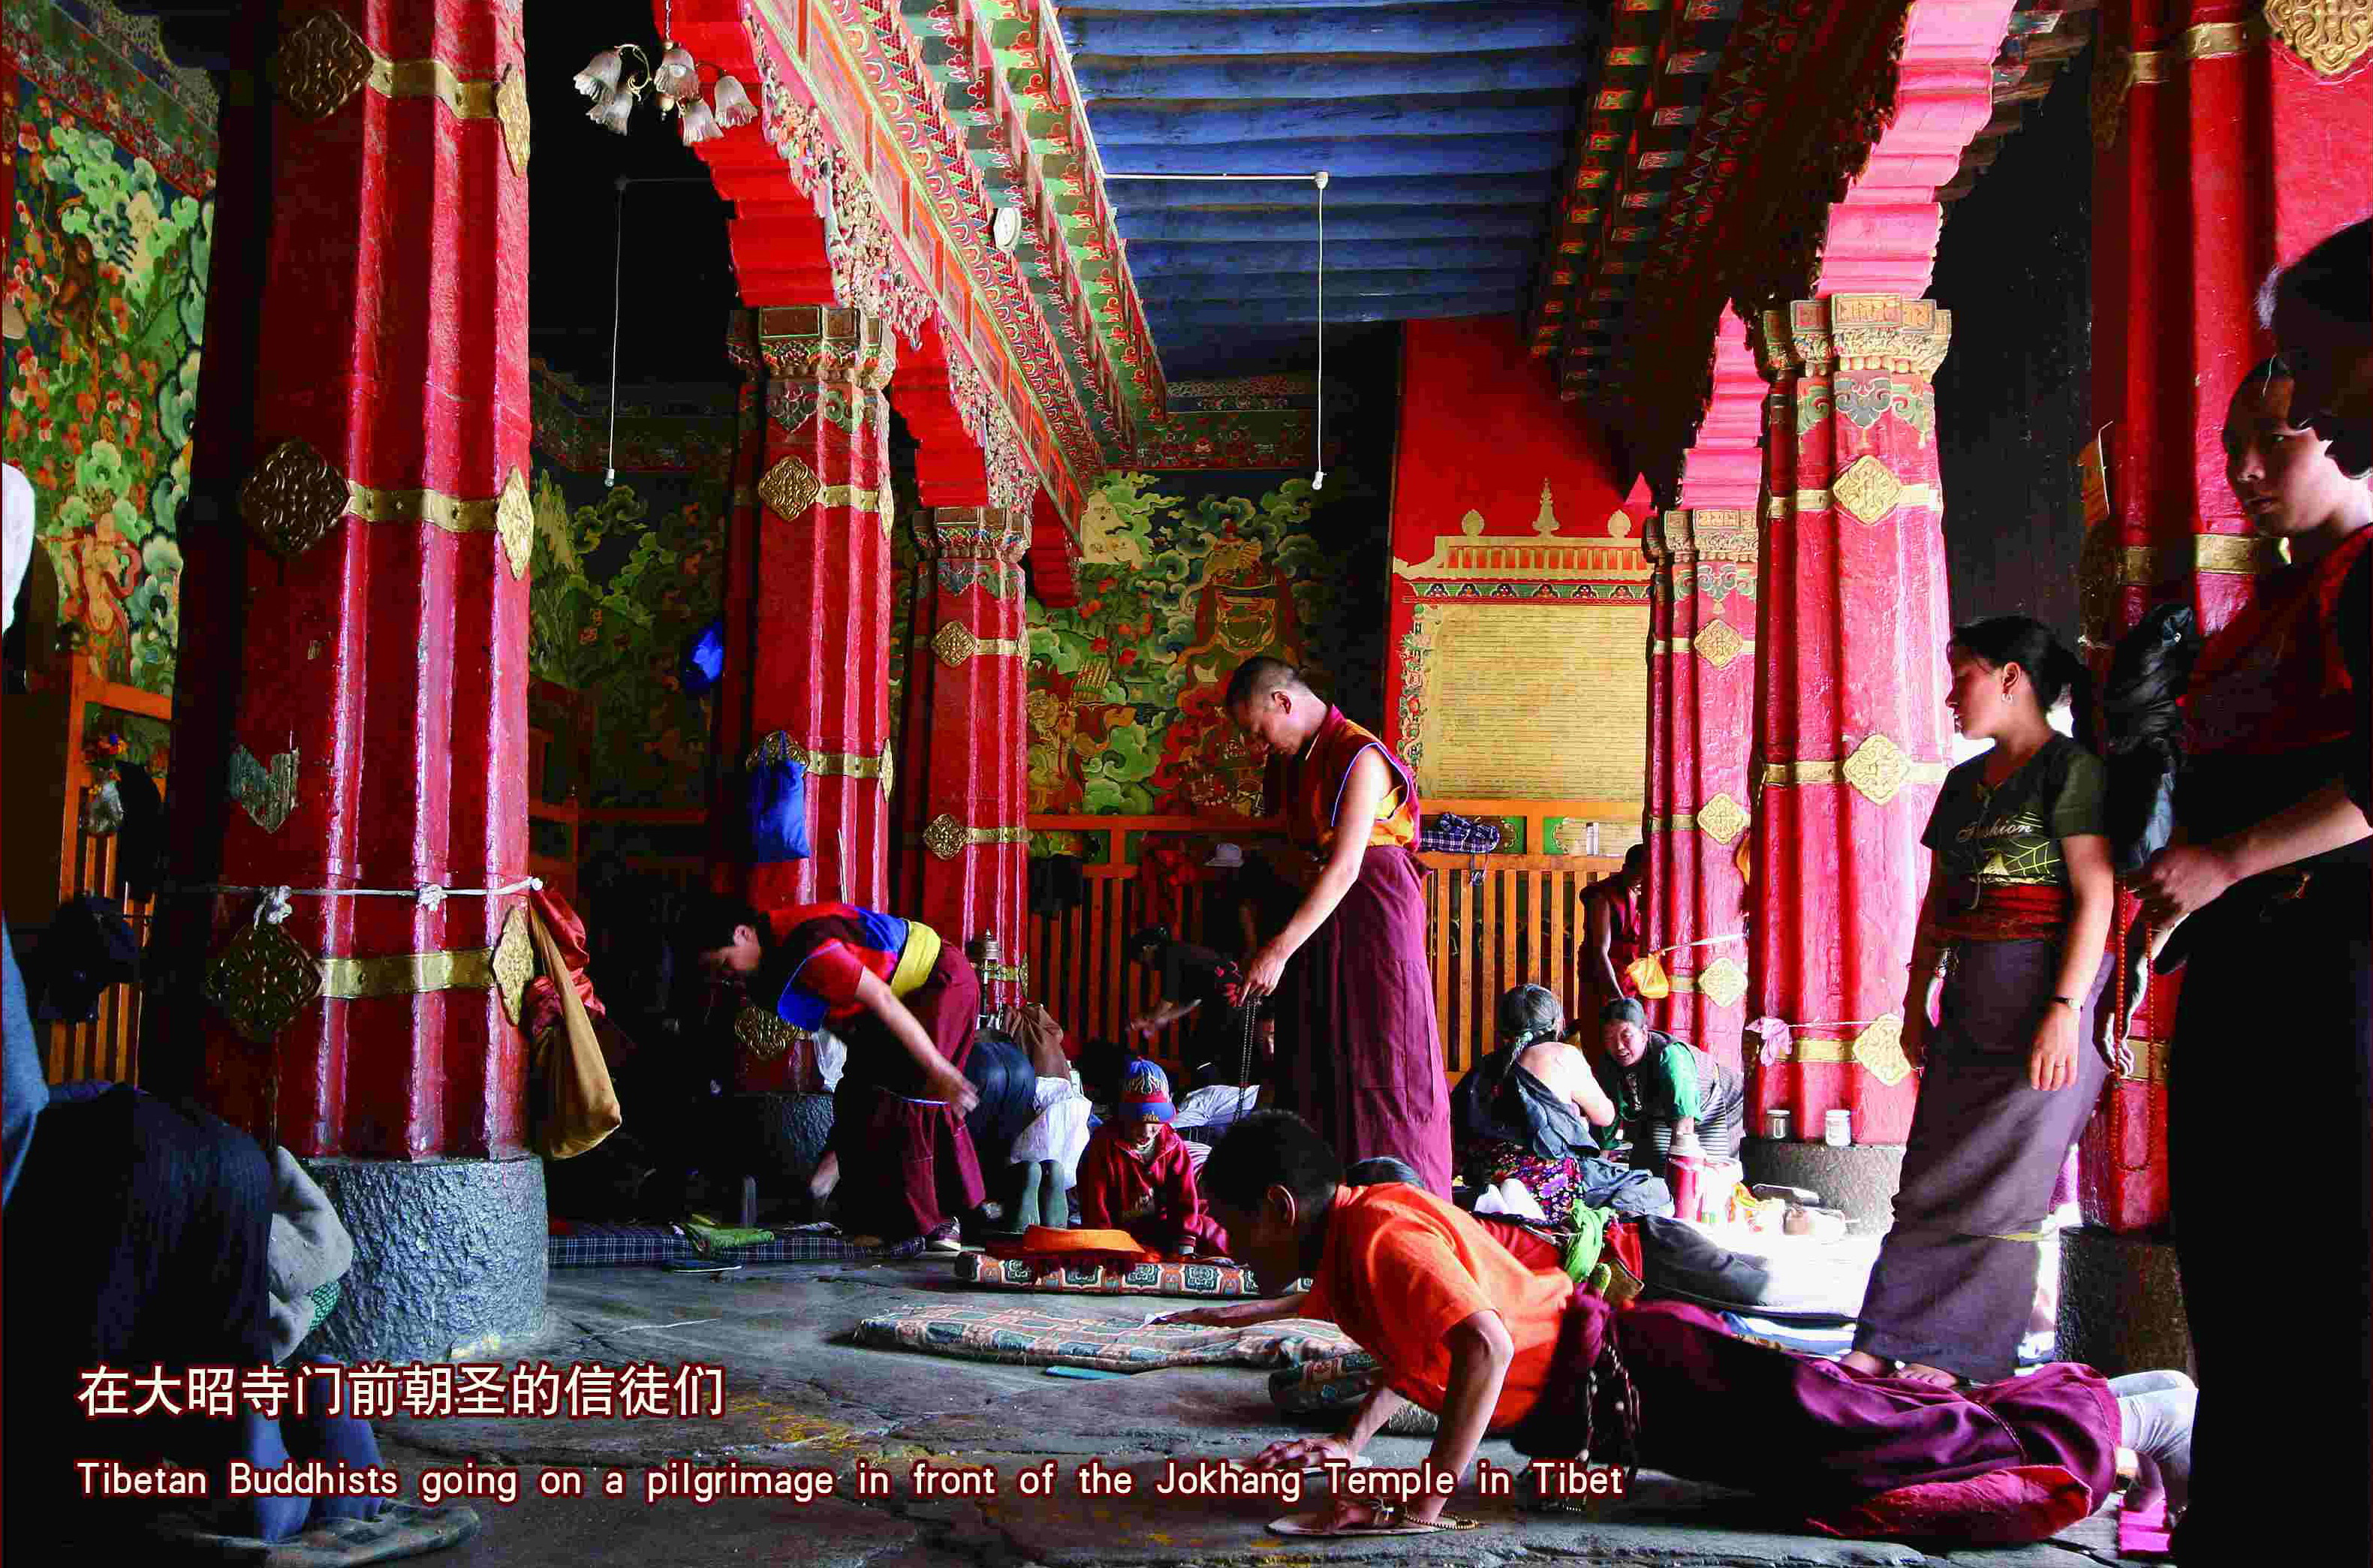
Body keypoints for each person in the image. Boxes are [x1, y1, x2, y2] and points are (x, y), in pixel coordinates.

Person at [1209, 1111, 2147, 1542]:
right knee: (1838, 1436)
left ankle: (2129, 1416)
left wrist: (1425, 1499)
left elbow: (1483, 1345)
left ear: (1279, 1206)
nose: (1232, 1246)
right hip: (1627, 1391)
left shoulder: (1380, 1232)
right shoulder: (1362, 1229)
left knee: (1858, 1435)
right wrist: (1352, 1436)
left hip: (1640, 1371)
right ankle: (2112, 1415)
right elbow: (1423, 1341)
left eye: (1233, 1224)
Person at [2130, 348, 2371, 1560]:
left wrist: (2229, 860)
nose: (2245, 466)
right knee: (2240, 1265)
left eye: (2279, 436)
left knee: (2318, 1267)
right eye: (2236, 441)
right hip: (2253, 976)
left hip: (2331, 974)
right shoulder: (2278, 602)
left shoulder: (2366, 576)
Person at [1839, 616, 2113, 1389]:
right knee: (1929, 1173)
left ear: (2009, 678)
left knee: (2003, 1186)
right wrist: (1911, 997)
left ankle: (1956, 1355)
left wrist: (2064, 1008)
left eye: (1962, 675)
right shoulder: (1963, 784)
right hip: (1970, 991)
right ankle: (1882, 1337)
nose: (1950, 695)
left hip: (2047, 992)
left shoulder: (2069, 770)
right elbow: (1938, 902)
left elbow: (2095, 895)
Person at [1224, 657, 1451, 1194]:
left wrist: (1278, 951)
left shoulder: (1359, 755)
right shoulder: (1295, 762)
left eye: (1257, 731)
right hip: (1320, 918)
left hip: (1374, 915)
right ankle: (1320, 1202)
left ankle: (1399, 1199)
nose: (1258, 746)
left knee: (1383, 1054)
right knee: (1318, 1052)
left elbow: (1347, 865)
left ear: (1282, 701)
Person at [679, 895, 984, 1253]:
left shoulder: (809, 947)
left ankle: (934, 1222)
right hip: (893, 1003)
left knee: (909, 1095)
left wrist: (940, 1069)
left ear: (743, 933)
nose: (726, 978)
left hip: (938, 980)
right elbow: (844, 1024)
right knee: (856, 1094)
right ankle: (849, 1207)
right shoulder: (768, 971)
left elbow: (882, 1000)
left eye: (724, 964)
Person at [1452, 985, 1669, 1221]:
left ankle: (1504, 1200)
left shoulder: (1484, 1067)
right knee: (1656, 1189)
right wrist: (1576, 1119)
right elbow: (1606, 1116)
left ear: (1502, 1027)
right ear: (1556, 1021)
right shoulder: (1563, 1054)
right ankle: (1580, 1218)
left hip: (1485, 1176)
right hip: (1551, 1183)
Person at [1073, 1060, 1228, 1256]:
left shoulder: (1173, 1146)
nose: (1147, 1131)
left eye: (1155, 1121)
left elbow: (1184, 1200)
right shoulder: (1101, 1147)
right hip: (1118, 1232)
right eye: (1138, 1121)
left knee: (1213, 1232)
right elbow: (1095, 1207)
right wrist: (1106, 1249)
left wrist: (1184, 1247)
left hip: (1163, 1227)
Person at [1600, 998, 1743, 1179]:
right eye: (1610, 1038)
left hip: (1718, 1099)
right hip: (1664, 1107)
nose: (1619, 1046)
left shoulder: (1672, 1058)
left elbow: (1684, 1126)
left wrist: (1676, 1176)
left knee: (1702, 1171)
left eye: (1627, 1036)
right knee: (1648, 1161)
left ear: (1644, 1034)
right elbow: (1609, 1112)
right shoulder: (1609, 1062)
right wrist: (1600, 1162)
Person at [1125, 924, 1260, 1089]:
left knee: (1200, 1057)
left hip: (1230, 1002)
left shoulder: (1169, 954)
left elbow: (1169, 998)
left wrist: (1146, 1019)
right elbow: (1193, 1000)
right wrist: (1162, 1018)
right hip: (1239, 1002)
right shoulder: (1184, 953)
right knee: (1209, 1056)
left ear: (1146, 948)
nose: (1147, 966)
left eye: (1141, 960)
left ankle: (1211, 1096)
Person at [1578, 843, 1647, 1022]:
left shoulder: (1646, 894)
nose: (1643, 882)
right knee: (1605, 1027)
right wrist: (1618, 999)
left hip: (1634, 978)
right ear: (1626, 869)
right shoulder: (1602, 896)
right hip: (1604, 978)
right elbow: (1599, 951)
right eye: (1639, 876)